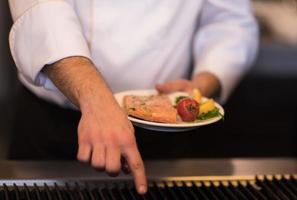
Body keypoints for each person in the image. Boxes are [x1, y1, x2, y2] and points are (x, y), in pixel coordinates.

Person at [8, 0, 258, 194]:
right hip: (55, 131)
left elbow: (229, 20)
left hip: (167, 131)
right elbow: (41, 11)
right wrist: (96, 100)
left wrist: (198, 89)